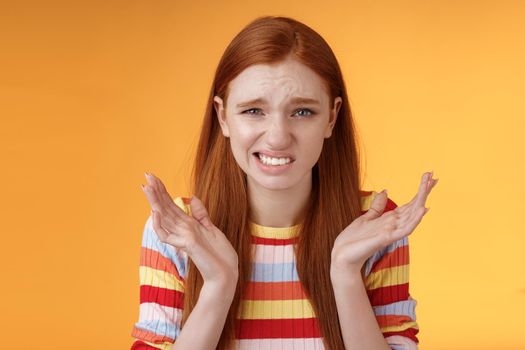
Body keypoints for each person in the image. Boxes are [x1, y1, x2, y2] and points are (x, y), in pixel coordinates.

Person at [130, 15, 438, 350]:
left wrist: (346, 273)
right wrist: (219, 286)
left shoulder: (373, 227)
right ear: (223, 117)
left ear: (331, 118)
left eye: (302, 112)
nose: (277, 137)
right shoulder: (177, 232)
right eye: (253, 111)